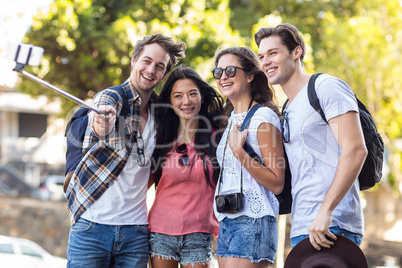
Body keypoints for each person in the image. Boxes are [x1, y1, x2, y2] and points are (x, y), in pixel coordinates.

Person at [65, 33, 186, 267]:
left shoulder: (161, 113)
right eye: (146, 61)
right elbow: (103, 111)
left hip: (136, 233)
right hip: (91, 227)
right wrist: (105, 121)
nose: (151, 70)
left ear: (163, 74)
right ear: (134, 60)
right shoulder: (112, 97)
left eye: (159, 66)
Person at [254, 23, 368, 251]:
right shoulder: (287, 108)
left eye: (273, 53)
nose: (265, 61)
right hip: (303, 228)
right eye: (261, 56)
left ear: (296, 52)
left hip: (333, 226)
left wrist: (326, 211)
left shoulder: (325, 87)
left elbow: (356, 149)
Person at [212, 47, 285, 267]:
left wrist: (239, 153)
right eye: (218, 72)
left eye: (231, 70)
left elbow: (277, 182)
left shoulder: (262, 117)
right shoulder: (231, 119)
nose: (223, 76)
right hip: (227, 221)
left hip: (253, 220)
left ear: (251, 75)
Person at [148, 66, 224, 268]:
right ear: (170, 101)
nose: (186, 101)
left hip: (200, 233)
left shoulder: (218, 137)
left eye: (192, 94)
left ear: (201, 96)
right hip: (161, 230)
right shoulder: (161, 137)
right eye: (178, 96)